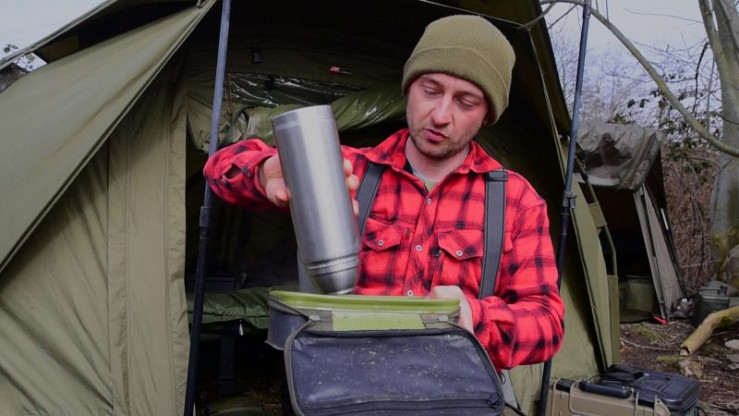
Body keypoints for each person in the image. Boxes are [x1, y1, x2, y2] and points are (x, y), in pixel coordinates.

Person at [203, 15, 564, 370]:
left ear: (487, 115)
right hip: (346, 382)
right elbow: (220, 169)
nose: (440, 115)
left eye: (465, 102)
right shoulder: (348, 171)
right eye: (430, 90)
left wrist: (476, 316)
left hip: (453, 389)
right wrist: (263, 172)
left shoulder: (516, 201)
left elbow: (547, 322)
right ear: (408, 88)